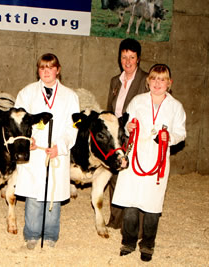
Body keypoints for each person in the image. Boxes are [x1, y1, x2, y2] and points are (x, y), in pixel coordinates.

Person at [112, 64, 186, 262]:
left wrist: (168, 137)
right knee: (130, 203)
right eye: (154, 79)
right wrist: (128, 127)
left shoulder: (175, 106)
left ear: (169, 83)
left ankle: (147, 245)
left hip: (158, 158)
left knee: (152, 206)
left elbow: (181, 133)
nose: (157, 83)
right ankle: (127, 242)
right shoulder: (137, 101)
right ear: (148, 81)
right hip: (135, 155)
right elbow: (127, 125)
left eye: (162, 79)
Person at [14, 53, 80, 249]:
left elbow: (73, 126)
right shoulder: (27, 93)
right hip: (35, 151)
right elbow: (18, 120)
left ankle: (50, 234)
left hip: (56, 151)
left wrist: (60, 146)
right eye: (42, 68)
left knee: (54, 193)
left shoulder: (70, 96)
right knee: (34, 194)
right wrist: (27, 141)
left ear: (58, 70)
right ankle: (32, 234)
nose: (46, 72)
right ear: (38, 70)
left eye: (50, 68)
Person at [106, 38, 148, 229]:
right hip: (118, 137)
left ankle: (135, 226)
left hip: (138, 137)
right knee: (115, 176)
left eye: (132, 57)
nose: (128, 61)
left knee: (135, 180)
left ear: (138, 59)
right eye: (124, 57)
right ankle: (116, 220)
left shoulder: (147, 80)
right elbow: (110, 109)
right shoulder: (115, 81)